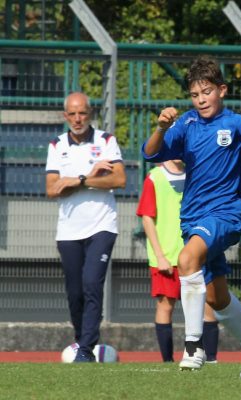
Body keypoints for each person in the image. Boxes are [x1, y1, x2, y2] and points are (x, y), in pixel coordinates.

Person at [141, 55, 241, 377]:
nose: (201, 100)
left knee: (186, 260)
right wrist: (161, 127)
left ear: (221, 90)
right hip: (193, 218)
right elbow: (151, 153)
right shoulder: (186, 124)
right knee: (216, 297)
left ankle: (193, 347)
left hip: (225, 215)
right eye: (195, 95)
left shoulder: (235, 124)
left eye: (207, 92)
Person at [45, 92, 127, 362]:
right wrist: (89, 176)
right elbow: (52, 189)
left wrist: (76, 181)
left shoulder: (106, 141)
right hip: (68, 230)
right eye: (72, 114)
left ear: (90, 113)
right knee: (75, 292)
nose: (78, 119)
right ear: (64, 115)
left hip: (102, 225)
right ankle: (82, 341)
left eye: (82, 113)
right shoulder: (57, 145)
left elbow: (119, 180)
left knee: (92, 283)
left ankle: (85, 349)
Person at [136, 159, 220, 363]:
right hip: (166, 257)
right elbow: (147, 218)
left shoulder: (197, 173)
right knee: (166, 306)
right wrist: (160, 256)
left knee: (208, 305)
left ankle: (211, 360)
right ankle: (167, 361)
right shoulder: (155, 178)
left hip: (195, 254)